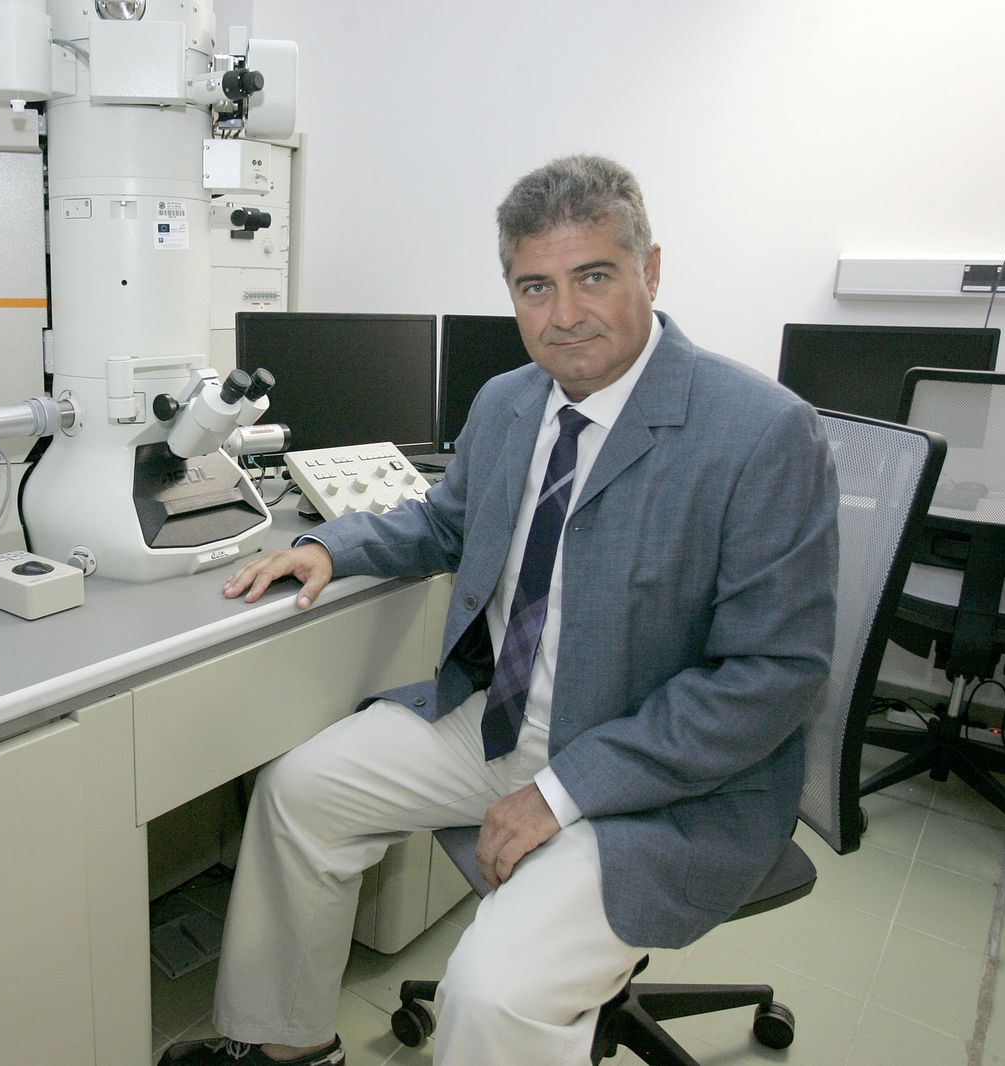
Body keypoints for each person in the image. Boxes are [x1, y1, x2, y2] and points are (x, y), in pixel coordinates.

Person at [161, 155, 838, 1066]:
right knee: (300, 795)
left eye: (592, 276)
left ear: (652, 269)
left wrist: (562, 793)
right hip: (499, 723)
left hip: (658, 778)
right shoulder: (510, 402)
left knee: (492, 993)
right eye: (534, 287)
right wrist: (332, 546)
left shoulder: (760, 433)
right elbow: (446, 521)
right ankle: (291, 1047)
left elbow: (772, 678)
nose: (562, 316)